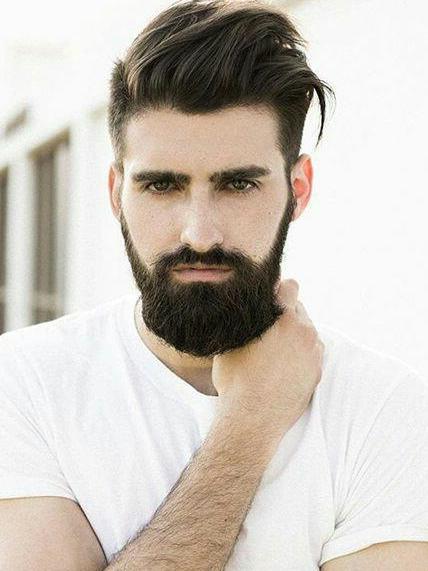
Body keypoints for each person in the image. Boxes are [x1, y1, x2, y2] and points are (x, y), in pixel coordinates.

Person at [1, 0, 427, 569]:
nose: (200, 233)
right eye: (162, 186)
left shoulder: (385, 408)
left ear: (298, 190)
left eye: (238, 185)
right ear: (116, 193)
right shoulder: (24, 384)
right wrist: (250, 424)